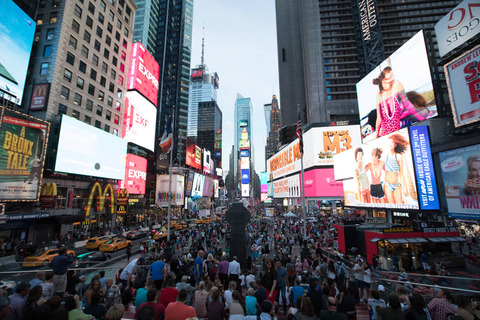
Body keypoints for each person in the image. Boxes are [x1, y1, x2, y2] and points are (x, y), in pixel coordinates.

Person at [373, 66, 428, 138]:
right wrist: (376, 137)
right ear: (383, 79)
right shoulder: (379, 96)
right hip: (386, 134)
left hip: (398, 132)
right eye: (389, 73)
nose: (392, 74)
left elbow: (408, 105)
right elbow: (379, 118)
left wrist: (423, 119)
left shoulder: (396, 86)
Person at [384, 133, 416, 204]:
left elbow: (401, 174)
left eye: (392, 142)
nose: (390, 144)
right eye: (389, 142)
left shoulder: (398, 156)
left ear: (395, 144)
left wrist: (403, 192)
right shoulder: (385, 156)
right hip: (387, 185)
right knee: (391, 205)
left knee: (400, 204)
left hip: (396, 184)